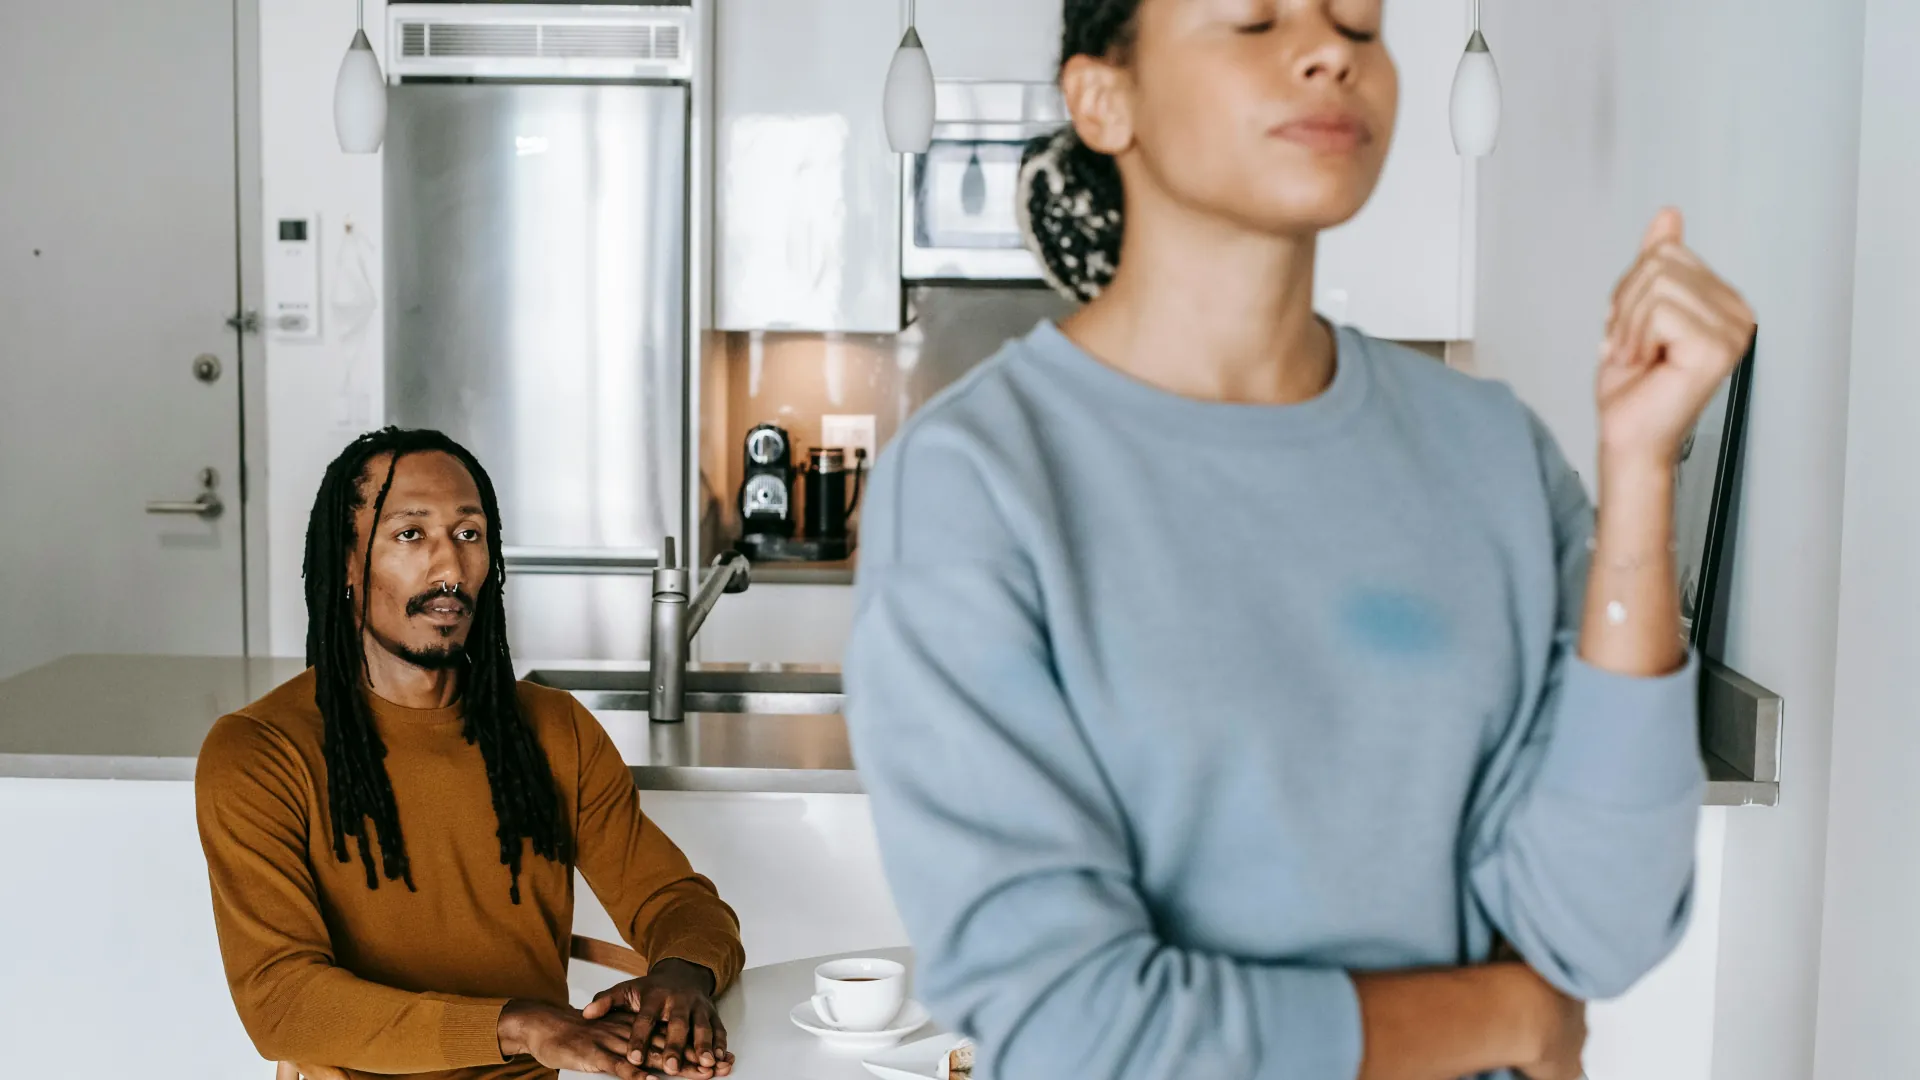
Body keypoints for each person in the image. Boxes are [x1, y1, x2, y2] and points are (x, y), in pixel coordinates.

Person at [843, 1, 1756, 1078]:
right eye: (1254, 18)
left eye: (1359, 24)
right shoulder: (978, 479)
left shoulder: (1489, 451)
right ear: (1104, 98)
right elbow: (1079, 1034)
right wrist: (1506, 1020)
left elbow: (1597, 927)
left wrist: (1642, 472)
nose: (1330, 50)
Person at [197, 428, 744, 1080]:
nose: (450, 569)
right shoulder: (261, 752)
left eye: (469, 534)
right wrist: (520, 1026)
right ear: (348, 561)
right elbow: (282, 1001)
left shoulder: (553, 729)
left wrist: (680, 980)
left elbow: (674, 900)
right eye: (410, 535)